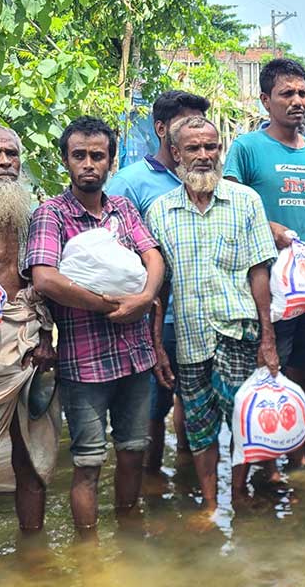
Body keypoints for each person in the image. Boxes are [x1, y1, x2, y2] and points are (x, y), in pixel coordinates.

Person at [24, 116, 165, 534]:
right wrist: (107, 305)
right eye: (80, 155)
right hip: (84, 364)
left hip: (135, 358)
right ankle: (89, 558)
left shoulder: (122, 209)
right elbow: (45, 278)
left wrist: (143, 299)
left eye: (98, 156)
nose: (89, 164)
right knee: (87, 461)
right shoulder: (53, 214)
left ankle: (129, 534)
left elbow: (153, 257)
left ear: (111, 161)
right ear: (66, 161)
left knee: (134, 451)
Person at [147, 116, 279, 515]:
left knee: (243, 421)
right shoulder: (160, 211)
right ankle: (208, 504)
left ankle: (238, 495)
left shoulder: (245, 201)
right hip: (189, 339)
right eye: (193, 148)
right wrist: (157, 345)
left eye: (211, 146)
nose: (204, 155)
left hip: (238, 334)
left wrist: (268, 341)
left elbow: (260, 272)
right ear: (175, 154)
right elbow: (159, 287)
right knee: (200, 428)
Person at [225, 58, 305, 468]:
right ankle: (266, 456)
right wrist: (268, 227)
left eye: (302, 93)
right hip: (267, 283)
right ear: (266, 99)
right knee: (272, 365)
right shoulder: (247, 148)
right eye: (287, 94)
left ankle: (297, 445)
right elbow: (233, 207)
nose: (297, 101)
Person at [106, 89, 209, 477]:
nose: (195, 138)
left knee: (196, 405)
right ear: (162, 129)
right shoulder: (130, 183)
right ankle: (148, 485)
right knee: (150, 409)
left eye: (201, 127)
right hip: (153, 319)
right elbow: (112, 250)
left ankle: (188, 479)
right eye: (186, 125)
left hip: (200, 315)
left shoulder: (206, 175)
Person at [0, 126, 59, 533]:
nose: (4, 162)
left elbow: (44, 280)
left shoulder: (36, 212)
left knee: (30, 455)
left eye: (11, 154)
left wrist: (45, 337)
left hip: (25, 336)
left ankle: (34, 554)